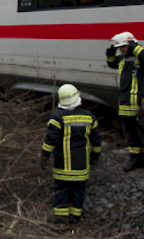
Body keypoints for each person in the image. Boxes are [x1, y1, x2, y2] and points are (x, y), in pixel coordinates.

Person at [41, 84, 101, 225]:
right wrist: (95, 157)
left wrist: (44, 156)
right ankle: (75, 218)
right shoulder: (89, 117)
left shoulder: (56, 117)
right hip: (81, 168)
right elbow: (97, 141)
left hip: (63, 167)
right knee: (78, 192)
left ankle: (61, 220)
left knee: (61, 192)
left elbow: (50, 140)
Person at [106, 32, 144, 175]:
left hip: (142, 104)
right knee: (130, 134)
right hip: (125, 104)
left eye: (123, 47)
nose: (121, 50)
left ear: (131, 44)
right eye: (119, 48)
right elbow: (111, 63)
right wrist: (110, 52)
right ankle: (136, 159)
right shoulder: (122, 59)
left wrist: (134, 46)